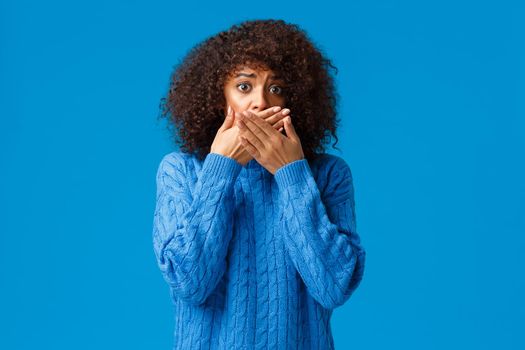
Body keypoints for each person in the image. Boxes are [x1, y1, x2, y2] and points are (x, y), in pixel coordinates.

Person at [152, 19, 366, 350]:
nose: (260, 103)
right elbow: (189, 282)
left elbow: (334, 287)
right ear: (217, 98)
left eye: (276, 88)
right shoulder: (181, 172)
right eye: (244, 86)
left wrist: (291, 172)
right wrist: (221, 168)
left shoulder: (328, 175)